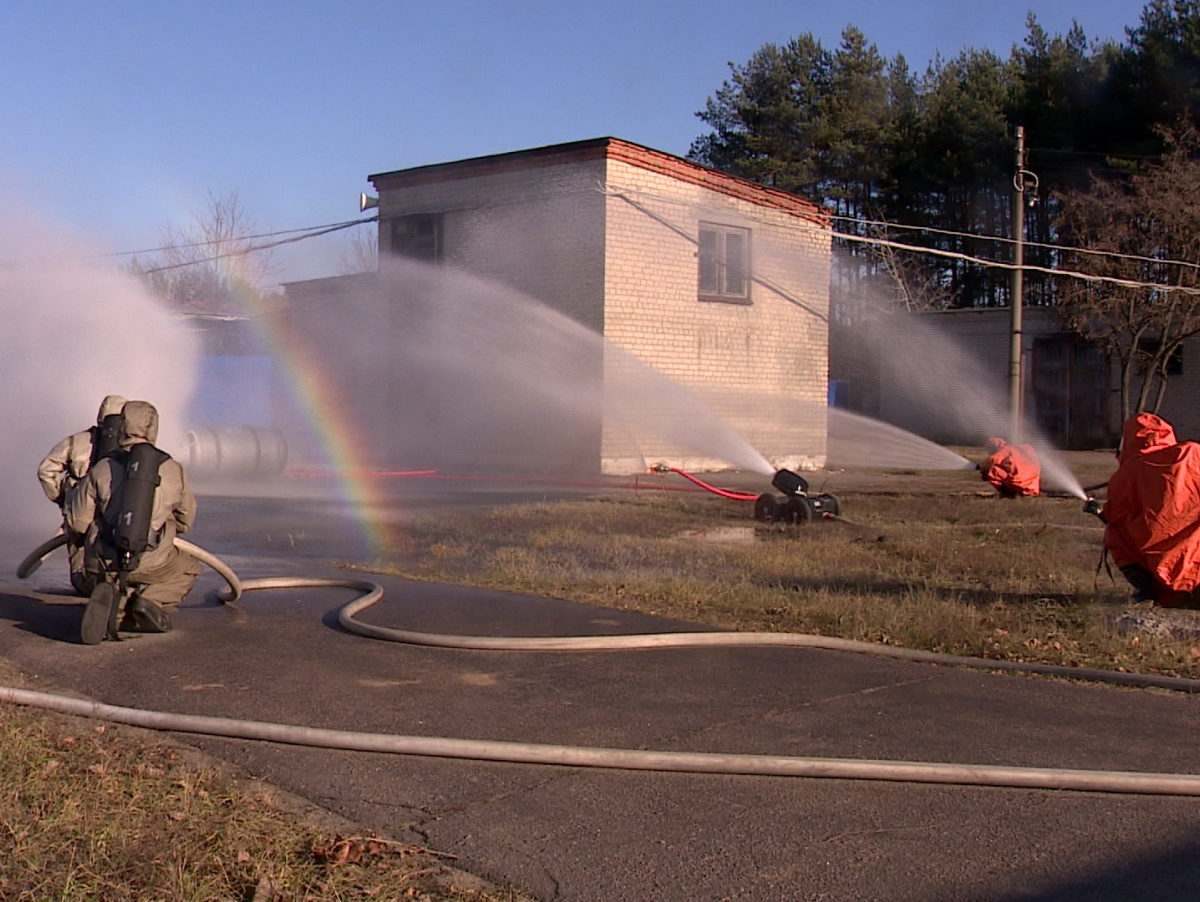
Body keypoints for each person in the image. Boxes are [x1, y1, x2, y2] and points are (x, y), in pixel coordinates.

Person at [66, 400, 202, 643]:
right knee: (189, 567)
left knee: (91, 563)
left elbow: (77, 522)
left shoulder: (102, 467)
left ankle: (112, 604)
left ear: (122, 427)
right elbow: (185, 521)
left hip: (103, 564)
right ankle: (150, 601)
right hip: (153, 562)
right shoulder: (173, 469)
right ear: (153, 429)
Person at [1101, 412, 1200, 608]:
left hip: (1160, 573)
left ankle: (1148, 590)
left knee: (1114, 534)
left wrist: (1099, 512)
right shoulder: (1192, 454)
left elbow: (1117, 518)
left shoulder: (1124, 477)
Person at [37, 394, 127, 595]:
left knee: (82, 576)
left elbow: (46, 471)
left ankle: (96, 587)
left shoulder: (76, 442)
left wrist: (63, 500)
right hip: (116, 519)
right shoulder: (131, 449)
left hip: (79, 520)